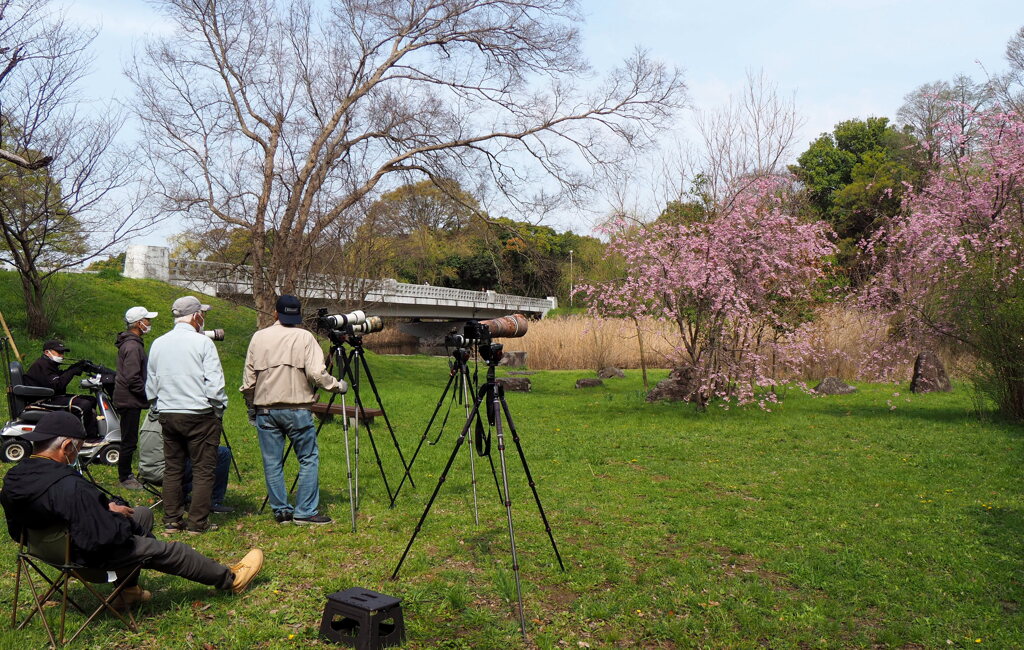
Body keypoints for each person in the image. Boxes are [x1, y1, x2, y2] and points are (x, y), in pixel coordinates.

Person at [0, 412, 263, 609]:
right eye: (78, 448)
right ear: (67, 446)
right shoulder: (68, 485)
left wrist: (106, 507)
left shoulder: (15, 478)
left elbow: (53, 513)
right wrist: (118, 520)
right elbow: (103, 538)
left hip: (47, 550)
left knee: (142, 513)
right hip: (85, 557)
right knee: (170, 549)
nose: (77, 453)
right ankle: (230, 579)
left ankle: (128, 592)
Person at [241, 294, 346, 525]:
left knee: (272, 462)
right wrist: (336, 385)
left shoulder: (259, 338)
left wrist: (251, 405)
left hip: (266, 410)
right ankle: (305, 512)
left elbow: (249, 380)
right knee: (308, 458)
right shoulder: (305, 337)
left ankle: (282, 512)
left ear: (276, 313)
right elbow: (317, 374)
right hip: (297, 409)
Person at [146, 296, 227, 535]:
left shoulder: (158, 343)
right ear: (195, 316)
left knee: (173, 468)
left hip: (169, 412)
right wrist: (218, 407)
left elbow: (151, 381)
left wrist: (157, 405)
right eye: (202, 314)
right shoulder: (202, 343)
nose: (204, 318)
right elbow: (214, 381)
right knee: (203, 469)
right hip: (199, 413)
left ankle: (172, 520)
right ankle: (197, 522)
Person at [136, 412, 235, 513]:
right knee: (223, 453)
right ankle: (213, 502)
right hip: (167, 472)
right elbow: (193, 449)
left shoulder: (150, 416)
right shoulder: (176, 417)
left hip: (145, 471)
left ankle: (180, 495)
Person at [113, 306, 158, 491]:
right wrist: (148, 395)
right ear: (139, 323)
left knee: (129, 438)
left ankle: (126, 474)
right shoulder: (132, 346)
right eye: (147, 320)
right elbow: (133, 378)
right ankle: (125, 477)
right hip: (129, 400)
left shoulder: (133, 343)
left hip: (129, 399)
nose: (149, 323)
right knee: (129, 440)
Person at [23, 339, 98, 437]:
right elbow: (57, 385)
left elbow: (58, 377)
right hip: (41, 400)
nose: (62, 355)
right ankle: (86, 438)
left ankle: (87, 430)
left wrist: (75, 367)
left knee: (91, 400)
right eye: (59, 352)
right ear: (47, 352)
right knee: (83, 405)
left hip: (52, 396)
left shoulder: (49, 364)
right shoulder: (41, 365)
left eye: (63, 353)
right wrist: (72, 371)